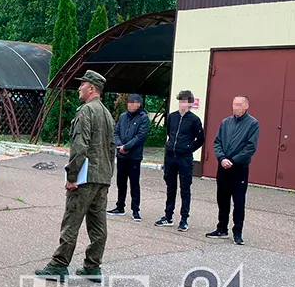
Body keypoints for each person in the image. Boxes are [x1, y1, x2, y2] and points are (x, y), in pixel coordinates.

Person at [34, 71, 115, 283]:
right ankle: (92, 266)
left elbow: (80, 146)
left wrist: (72, 176)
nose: (79, 88)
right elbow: (112, 149)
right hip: (102, 177)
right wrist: (107, 176)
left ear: (91, 88)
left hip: (86, 178)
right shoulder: (107, 113)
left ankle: (59, 266)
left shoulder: (86, 111)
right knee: (98, 225)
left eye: (82, 85)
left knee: (72, 220)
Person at [206, 96, 259, 245]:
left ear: (246, 106)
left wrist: (233, 161)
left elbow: (250, 147)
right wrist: (222, 158)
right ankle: (222, 228)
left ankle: (238, 232)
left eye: (238, 104)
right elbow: (217, 142)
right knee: (222, 200)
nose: (235, 106)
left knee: (239, 201)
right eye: (233, 104)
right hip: (223, 167)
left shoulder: (252, 124)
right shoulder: (225, 122)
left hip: (239, 169)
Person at [155, 90, 205, 232]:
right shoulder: (172, 117)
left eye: (185, 101)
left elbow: (200, 139)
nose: (182, 104)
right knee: (171, 187)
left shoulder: (194, 120)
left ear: (190, 103)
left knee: (185, 188)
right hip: (171, 157)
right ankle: (168, 216)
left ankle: (184, 220)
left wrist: (189, 149)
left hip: (185, 158)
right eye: (180, 101)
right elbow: (169, 134)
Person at [108, 94, 149, 221]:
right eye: (129, 102)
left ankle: (135, 210)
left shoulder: (143, 118)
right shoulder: (122, 117)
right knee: (121, 182)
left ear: (139, 104)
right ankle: (120, 207)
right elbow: (116, 132)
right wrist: (120, 146)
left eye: (133, 103)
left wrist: (127, 147)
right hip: (121, 155)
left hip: (134, 157)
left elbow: (140, 136)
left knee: (134, 183)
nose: (130, 105)